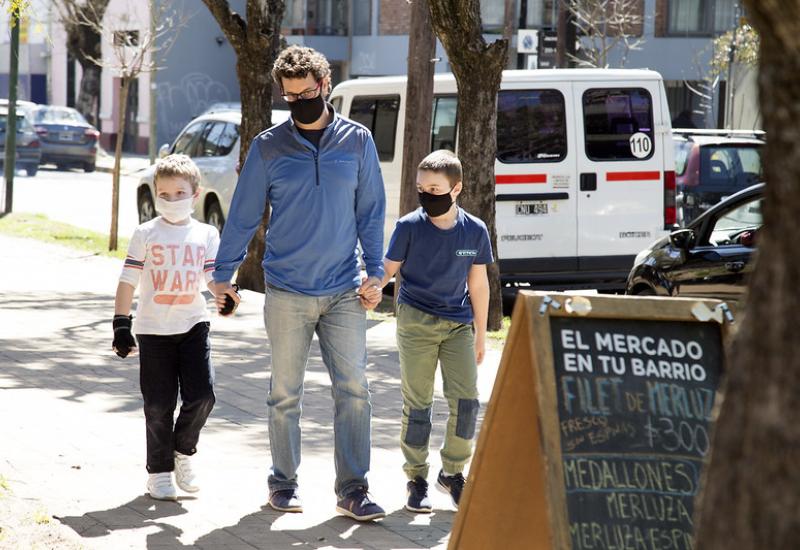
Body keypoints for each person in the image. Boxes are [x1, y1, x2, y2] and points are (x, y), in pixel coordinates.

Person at [212, 45, 386, 521]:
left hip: (345, 289)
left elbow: (370, 213)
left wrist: (376, 273)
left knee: (354, 391)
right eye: (290, 97)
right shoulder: (269, 146)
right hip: (287, 289)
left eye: (306, 93)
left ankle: (353, 489)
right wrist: (221, 276)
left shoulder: (358, 141)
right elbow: (244, 215)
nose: (299, 102)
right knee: (284, 393)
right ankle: (282, 484)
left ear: (325, 86)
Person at [379, 150, 492, 513]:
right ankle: (417, 478)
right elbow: (388, 269)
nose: (426, 194)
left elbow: (479, 284)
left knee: (467, 402)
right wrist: (370, 286)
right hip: (416, 321)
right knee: (419, 404)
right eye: (421, 188)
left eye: (434, 188)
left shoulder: (474, 230)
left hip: (458, 324)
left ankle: (453, 473)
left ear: (455, 188)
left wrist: (480, 334)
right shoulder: (409, 226)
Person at [112, 154, 220, 501]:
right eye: (164, 193)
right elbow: (128, 281)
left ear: (195, 193)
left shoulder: (206, 233)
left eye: (179, 193)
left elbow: (213, 278)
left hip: (193, 324)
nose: (171, 200)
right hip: (152, 329)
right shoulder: (146, 233)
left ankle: (183, 451)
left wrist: (225, 295)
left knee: (203, 395)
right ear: (155, 193)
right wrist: (121, 325)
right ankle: (159, 472)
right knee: (158, 405)